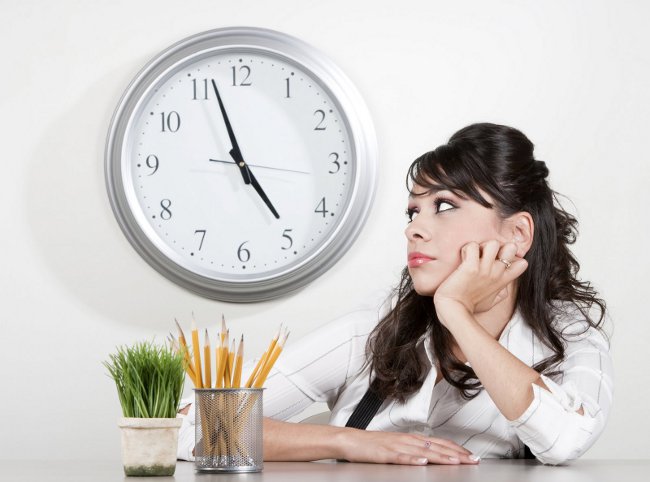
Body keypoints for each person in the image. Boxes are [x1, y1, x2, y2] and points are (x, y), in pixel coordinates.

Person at [177, 123, 612, 466]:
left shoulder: (571, 336)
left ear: (517, 233)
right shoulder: (370, 333)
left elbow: (566, 441)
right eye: (412, 211)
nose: (413, 228)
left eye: (443, 205)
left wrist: (455, 312)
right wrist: (348, 442)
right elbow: (191, 426)